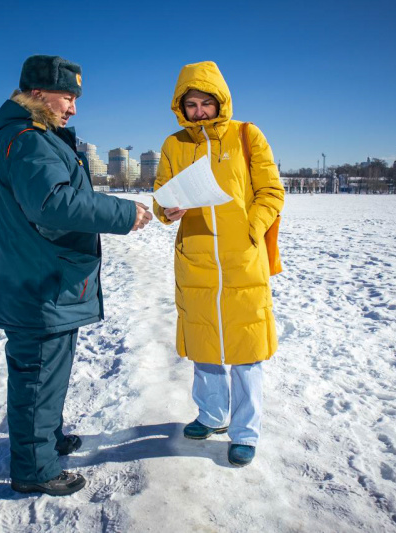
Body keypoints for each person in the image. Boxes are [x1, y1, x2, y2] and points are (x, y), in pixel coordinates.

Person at [0, 55, 152, 496]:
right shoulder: (28, 139)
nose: (73, 107)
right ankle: (34, 470)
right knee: (37, 377)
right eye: (67, 96)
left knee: (47, 373)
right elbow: (52, 204)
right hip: (38, 286)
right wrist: (123, 212)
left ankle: (47, 439)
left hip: (42, 280)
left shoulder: (32, 137)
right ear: (37, 94)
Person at [152, 61, 284, 467]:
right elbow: (160, 194)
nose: (199, 111)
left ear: (220, 101)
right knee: (205, 345)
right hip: (196, 259)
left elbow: (271, 191)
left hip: (243, 259)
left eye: (206, 102)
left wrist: (251, 228)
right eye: (190, 104)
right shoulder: (174, 145)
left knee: (246, 349)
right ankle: (211, 416)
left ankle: (245, 432)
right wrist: (166, 210)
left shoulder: (248, 135)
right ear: (181, 107)